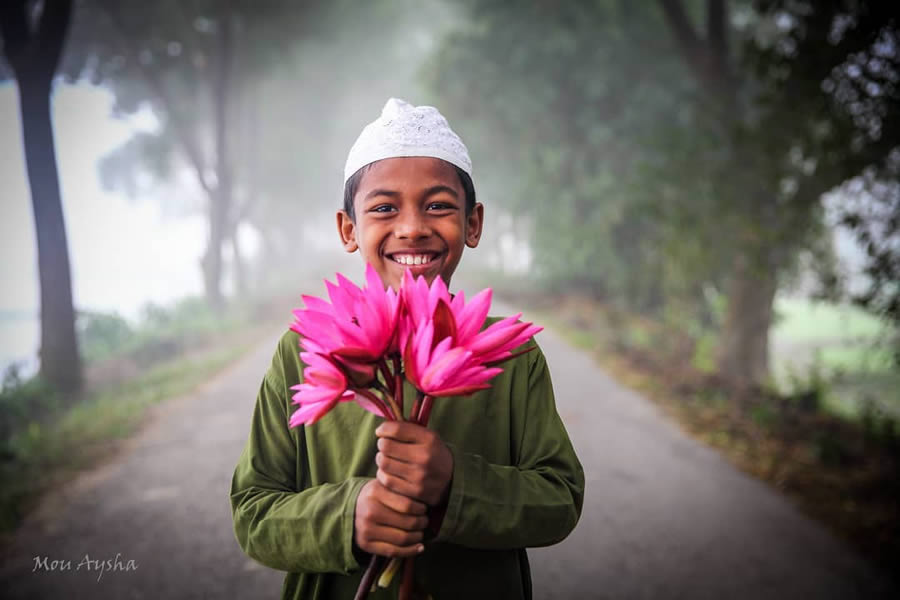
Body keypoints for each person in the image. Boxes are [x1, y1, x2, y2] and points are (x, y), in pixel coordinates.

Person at [230, 98, 584, 599]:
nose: (413, 227)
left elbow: (560, 498)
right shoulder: (302, 347)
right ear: (349, 230)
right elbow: (253, 509)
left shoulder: (515, 356)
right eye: (383, 208)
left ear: (474, 223)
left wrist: (455, 485)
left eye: (438, 205)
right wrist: (351, 515)